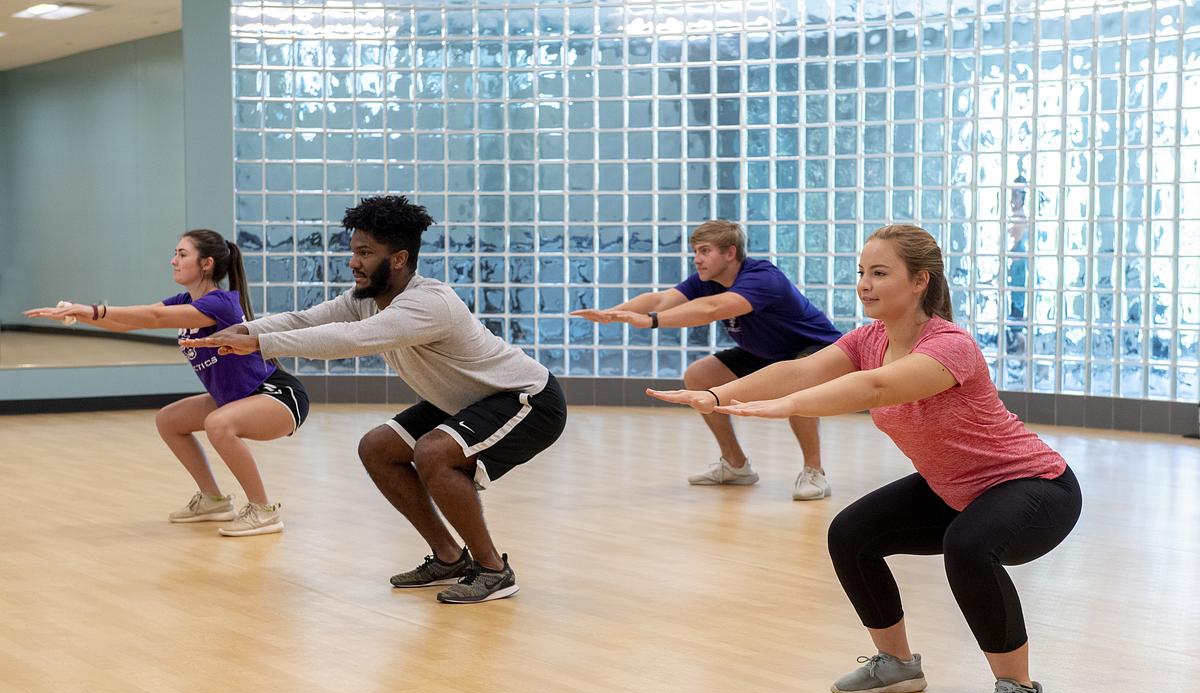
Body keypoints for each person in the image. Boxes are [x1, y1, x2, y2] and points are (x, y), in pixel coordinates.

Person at [648, 225, 1082, 693]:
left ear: (920, 281)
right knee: (851, 533)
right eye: (861, 273)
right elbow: (797, 371)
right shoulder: (870, 339)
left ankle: (1019, 690)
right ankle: (895, 665)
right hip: (952, 487)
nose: (865, 284)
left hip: (1035, 487)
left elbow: (875, 387)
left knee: (968, 546)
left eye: (880, 273)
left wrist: (785, 407)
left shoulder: (950, 345)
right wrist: (719, 396)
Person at [182, 195, 567, 604]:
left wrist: (261, 343)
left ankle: (493, 570)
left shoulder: (429, 303)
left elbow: (352, 339)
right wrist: (246, 331)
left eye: (365, 253)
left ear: (398, 259)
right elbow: (308, 319)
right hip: (464, 399)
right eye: (354, 251)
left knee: (434, 453)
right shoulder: (364, 299)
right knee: (378, 449)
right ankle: (449, 557)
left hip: (525, 398)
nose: (354, 262)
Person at [25, 230, 309, 537]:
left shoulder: (221, 303)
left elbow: (154, 317)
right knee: (169, 420)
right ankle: (213, 501)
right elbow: (132, 322)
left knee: (218, 424)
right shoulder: (186, 301)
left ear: (207, 263)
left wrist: (92, 309)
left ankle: (263, 511)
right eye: (175, 253)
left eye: (182, 254)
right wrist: (77, 315)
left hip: (278, 395)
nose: (173, 261)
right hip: (237, 397)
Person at [571, 220, 842, 500]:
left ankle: (814, 471)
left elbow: (712, 309)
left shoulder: (762, 277)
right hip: (769, 351)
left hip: (819, 349)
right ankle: (735, 465)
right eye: (695, 252)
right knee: (700, 376)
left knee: (795, 382)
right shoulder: (707, 281)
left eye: (704, 251)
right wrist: (612, 313)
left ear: (730, 252)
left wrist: (651, 322)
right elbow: (662, 300)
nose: (697, 259)